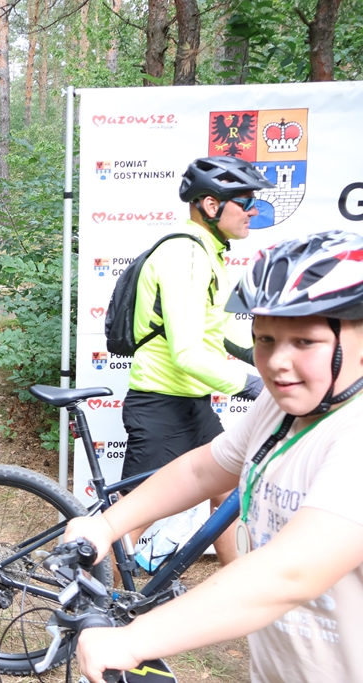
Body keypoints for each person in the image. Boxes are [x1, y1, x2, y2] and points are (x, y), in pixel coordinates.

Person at [65, 230, 363, 683]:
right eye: (265, 339)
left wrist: (134, 639)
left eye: (305, 342)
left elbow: (290, 573)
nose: (277, 362)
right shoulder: (281, 408)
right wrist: (108, 525)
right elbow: (203, 469)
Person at [118, 156, 273, 564]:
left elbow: (225, 333)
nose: (254, 211)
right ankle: (93, 598)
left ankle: (240, 587)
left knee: (226, 493)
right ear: (210, 205)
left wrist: (273, 362)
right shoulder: (184, 256)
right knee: (128, 521)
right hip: (160, 404)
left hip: (192, 404)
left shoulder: (208, 253)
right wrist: (252, 386)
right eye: (246, 201)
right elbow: (186, 353)